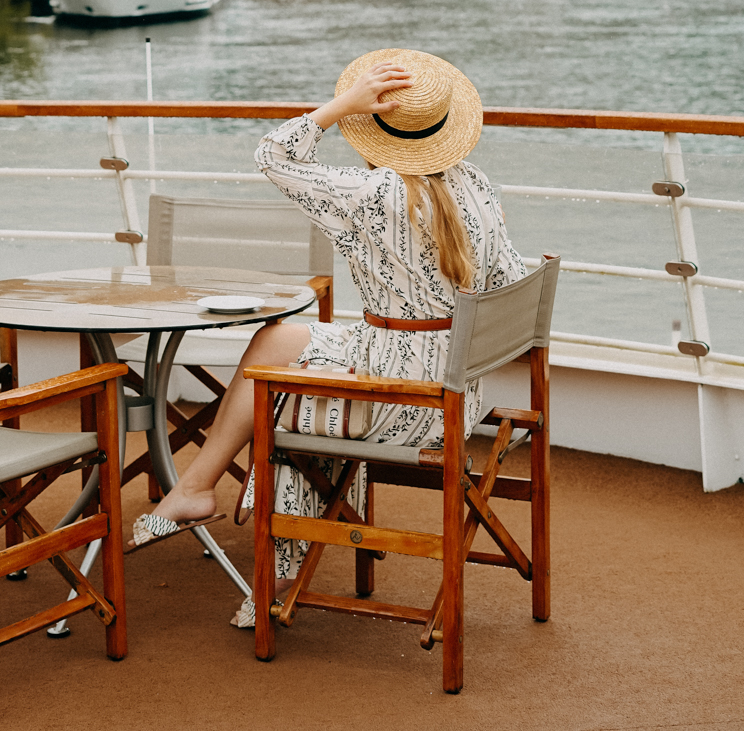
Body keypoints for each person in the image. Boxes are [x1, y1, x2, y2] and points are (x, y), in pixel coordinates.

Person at [130, 47, 526, 627]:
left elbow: (273, 156)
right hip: (459, 391)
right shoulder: (477, 187)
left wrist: (340, 107)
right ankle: (197, 487)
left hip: (404, 402)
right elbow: (510, 281)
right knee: (279, 341)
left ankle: (277, 572)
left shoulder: (368, 195)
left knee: (284, 396)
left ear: (374, 129)